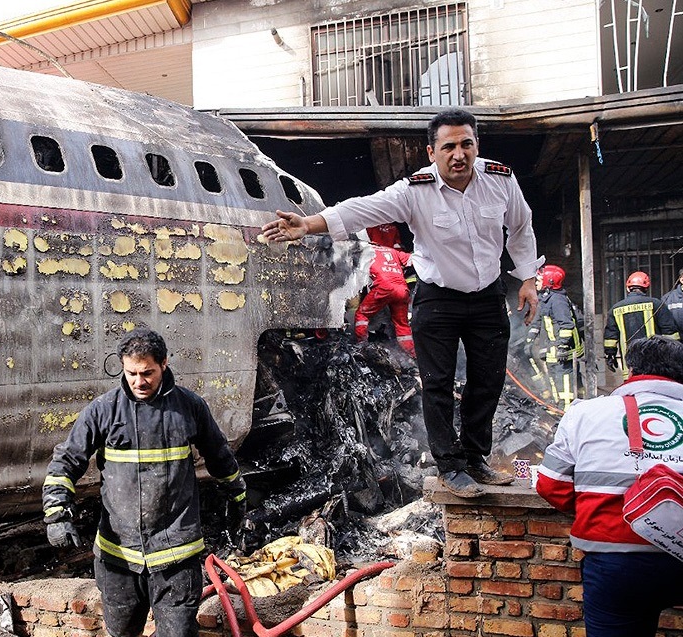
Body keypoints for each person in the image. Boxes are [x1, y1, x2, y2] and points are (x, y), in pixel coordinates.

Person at [261, 108, 543, 499]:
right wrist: (309, 224)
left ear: (477, 146)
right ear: (432, 152)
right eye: (448, 147)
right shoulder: (415, 190)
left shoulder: (500, 180)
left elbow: (521, 227)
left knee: (488, 380)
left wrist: (527, 279)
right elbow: (363, 207)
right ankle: (451, 467)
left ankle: (475, 458)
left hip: (488, 296)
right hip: (438, 298)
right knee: (438, 383)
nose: (458, 154)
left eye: (466, 144)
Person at [42, 328, 246, 637]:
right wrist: (57, 514)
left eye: (147, 372)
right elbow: (66, 462)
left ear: (164, 363)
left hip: (176, 556)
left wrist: (237, 495)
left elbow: (219, 456)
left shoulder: (189, 407)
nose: (139, 381)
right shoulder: (103, 410)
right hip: (119, 557)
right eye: (131, 373)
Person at [535, 336, 683, 637]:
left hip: (614, 562)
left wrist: (597, 503)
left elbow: (551, 485)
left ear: (632, 371)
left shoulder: (585, 413)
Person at [527, 264, 584, 408]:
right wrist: (529, 341)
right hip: (552, 349)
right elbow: (537, 322)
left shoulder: (558, 300)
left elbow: (566, 324)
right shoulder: (545, 299)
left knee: (564, 382)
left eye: (539, 279)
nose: (536, 282)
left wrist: (563, 346)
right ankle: (558, 406)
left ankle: (567, 410)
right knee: (554, 379)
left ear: (549, 281)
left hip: (562, 351)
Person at [603, 271, 680, 376]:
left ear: (628, 288)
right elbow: (670, 332)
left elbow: (610, 337)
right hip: (655, 362)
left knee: (633, 384)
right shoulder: (656, 304)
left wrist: (610, 355)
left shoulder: (615, 309)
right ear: (646, 288)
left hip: (629, 364)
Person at [355, 244, 415, 356]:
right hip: (402, 289)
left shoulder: (364, 250)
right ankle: (412, 355)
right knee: (402, 325)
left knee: (361, 315)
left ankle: (362, 347)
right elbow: (413, 259)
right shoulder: (392, 251)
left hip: (383, 287)